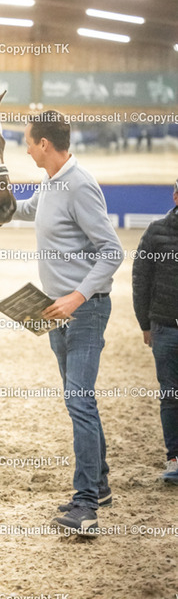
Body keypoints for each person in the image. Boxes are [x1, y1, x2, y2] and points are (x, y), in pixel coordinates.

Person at [14, 111, 124, 534]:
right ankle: (100, 485)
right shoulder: (50, 182)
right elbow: (28, 210)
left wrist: (77, 297)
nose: (26, 149)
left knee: (79, 402)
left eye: (28, 142)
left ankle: (86, 507)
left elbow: (112, 251)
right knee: (79, 401)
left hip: (84, 312)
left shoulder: (79, 185)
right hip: (54, 313)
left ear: (44, 144)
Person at [132, 180, 178, 485]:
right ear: (175, 196)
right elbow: (141, 279)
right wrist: (145, 324)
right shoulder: (155, 232)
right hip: (165, 328)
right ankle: (175, 458)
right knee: (171, 396)